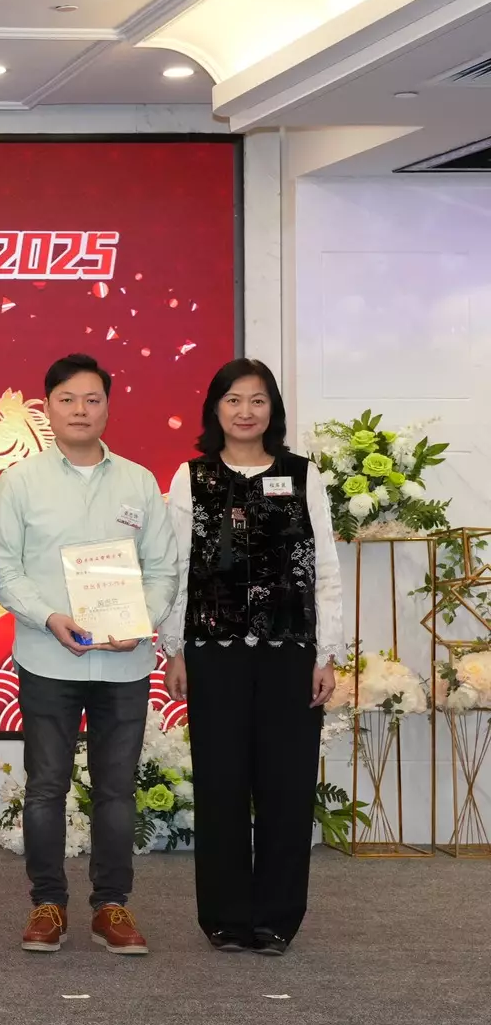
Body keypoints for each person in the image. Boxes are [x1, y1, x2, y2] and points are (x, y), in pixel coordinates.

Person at [0, 353, 180, 955]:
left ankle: (112, 906)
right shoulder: (21, 482)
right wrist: (49, 617)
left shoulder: (139, 482)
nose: (79, 409)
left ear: (107, 407)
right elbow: (3, 566)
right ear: (47, 407)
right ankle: (47, 904)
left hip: (124, 662)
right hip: (48, 657)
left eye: (92, 399)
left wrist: (140, 621)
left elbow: (164, 568)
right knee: (46, 786)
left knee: (117, 790)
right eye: (67, 399)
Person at [159, 358, 340, 955]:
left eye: (257, 400)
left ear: (273, 410)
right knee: (221, 784)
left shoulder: (303, 474)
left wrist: (327, 654)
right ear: (215, 408)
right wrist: (174, 648)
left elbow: (326, 569)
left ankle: (277, 919)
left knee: (288, 785)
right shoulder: (191, 478)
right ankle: (225, 916)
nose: (245, 411)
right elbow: (177, 567)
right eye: (233, 400)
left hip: (292, 652)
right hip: (214, 651)